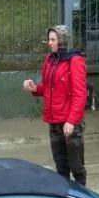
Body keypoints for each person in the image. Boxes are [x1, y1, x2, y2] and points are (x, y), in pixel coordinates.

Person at [22, 25, 88, 185]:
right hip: (54, 122)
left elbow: (80, 94)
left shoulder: (75, 61)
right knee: (61, 166)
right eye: (49, 39)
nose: (49, 43)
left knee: (76, 166)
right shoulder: (50, 60)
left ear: (62, 41)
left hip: (69, 124)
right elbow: (49, 89)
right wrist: (35, 88)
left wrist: (72, 121)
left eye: (53, 39)